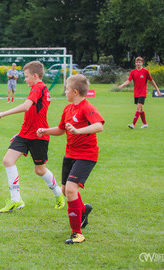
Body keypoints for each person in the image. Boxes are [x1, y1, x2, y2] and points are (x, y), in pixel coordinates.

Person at [37, 74, 104, 244]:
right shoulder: (68, 109)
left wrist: (77, 130)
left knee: (72, 190)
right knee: (66, 191)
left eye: (66, 89)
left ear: (75, 92)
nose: (65, 91)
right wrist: (44, 130)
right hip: (70, 154)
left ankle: (77, 233)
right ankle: (83, 211)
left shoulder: (87, 107)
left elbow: (99, 126)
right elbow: (60, 130)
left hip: (86, 155)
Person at [0, 61, 65, 213]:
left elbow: (26, 106)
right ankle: (16, 200)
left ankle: (59, 194)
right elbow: (32, 113)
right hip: (25, 133)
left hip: (38, 136)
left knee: (40, 170)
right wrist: (20, 133)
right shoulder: (38, 88)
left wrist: (3, 113)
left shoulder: (39, 87)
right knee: (8, 160)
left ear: (35, 76)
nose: (25, 79)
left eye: (26, 76)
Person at [118, 56, 161, 129]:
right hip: (136, 93)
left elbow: (152, 81)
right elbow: (128, 81)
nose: (138, 63)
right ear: (135, 63)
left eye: (139, 62)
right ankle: (145, 124)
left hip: (143, 93)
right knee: (141, 109)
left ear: (142, 63)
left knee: (138, 108)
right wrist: (122, 85)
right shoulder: (133, 72)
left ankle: (133, 124)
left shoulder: (145, 71)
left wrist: (157, 89)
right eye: (137, 62)